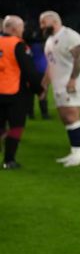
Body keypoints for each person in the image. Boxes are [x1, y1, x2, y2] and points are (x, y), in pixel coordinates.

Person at [40, 10, 80, 167]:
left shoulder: (69, 35)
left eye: (43, 23)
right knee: (65, 117)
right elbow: (51, 64)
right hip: (59, 84)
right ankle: (74, 152)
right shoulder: (50, 40)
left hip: (71, 83)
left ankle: (79, 153)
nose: (41, 26)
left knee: (72, 115)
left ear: (54, 21)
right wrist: (45, 83)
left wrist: (73, 79)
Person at [0, 15, 43, 169]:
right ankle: (9, 160)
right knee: (16, 126)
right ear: (14, 29)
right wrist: (39, 90)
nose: (23, 30)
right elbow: (29, 71)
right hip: (14, 93)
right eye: (21, 27)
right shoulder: (18, 45)